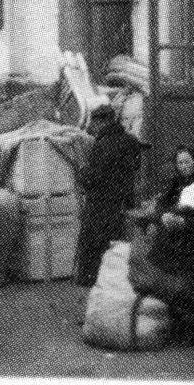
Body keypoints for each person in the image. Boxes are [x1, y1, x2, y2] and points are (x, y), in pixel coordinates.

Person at [130, 146, 194, 340]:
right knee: (167, 282)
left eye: (187, 162)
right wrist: (163, 216)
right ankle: (175, 326)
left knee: (189, 285)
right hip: (172, 242)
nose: (183, 166)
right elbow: (160, 208)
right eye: (180, 163)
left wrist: (185, 223)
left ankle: (192, 330)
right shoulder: (174, 184)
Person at [74, 103, 143, 287]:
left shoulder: (102, 144)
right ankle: (117, 281)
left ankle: (94, 284)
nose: (93, 128)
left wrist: (81, 173)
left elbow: (93, 177)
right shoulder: (131, 141)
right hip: (124, 202)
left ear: (101, 122)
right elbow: (136, 166)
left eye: (94, 123)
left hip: (100, 204)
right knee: (119, 245)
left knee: (96, 245)